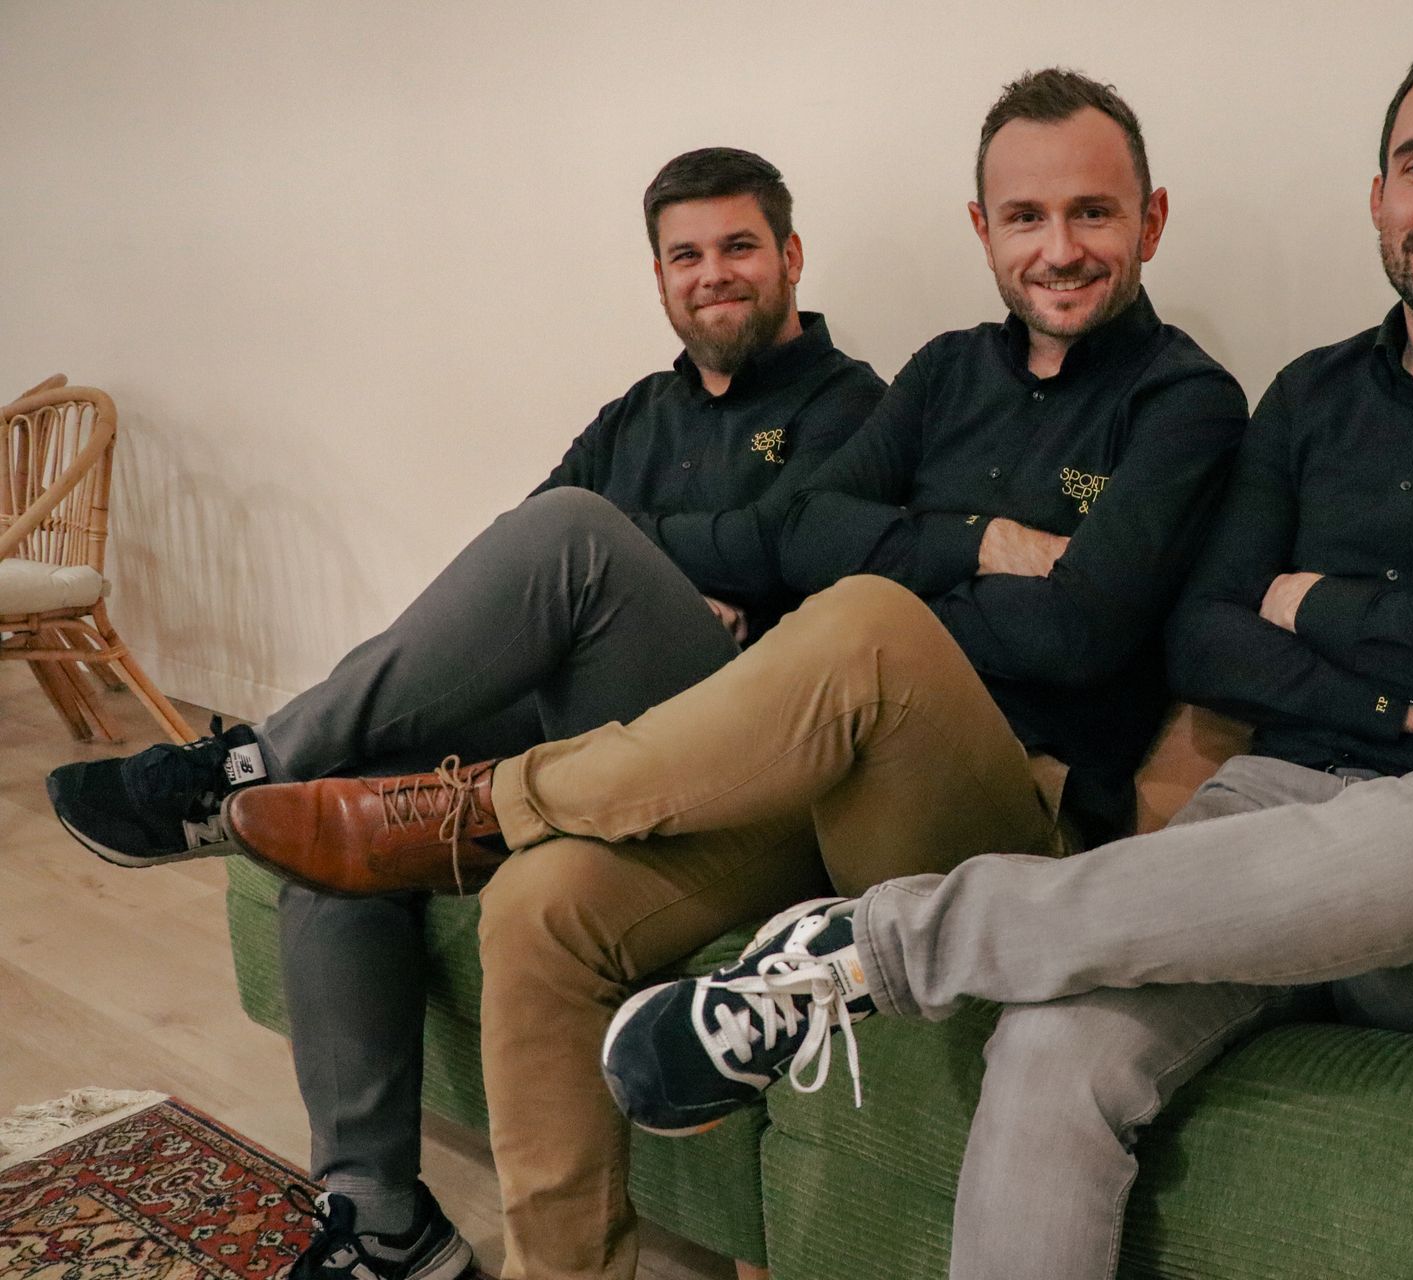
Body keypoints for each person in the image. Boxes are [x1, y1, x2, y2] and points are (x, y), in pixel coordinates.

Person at [594, 41, 1413, 1280]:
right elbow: (1204, 637)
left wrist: (1307, 599)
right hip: (1262, 816)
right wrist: (1411, 702)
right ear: (1379, 198)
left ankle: (880, 947)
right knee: (1047, 1044)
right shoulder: (1306, 396)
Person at [215, 67, 1245, 1277]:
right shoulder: (943, 372)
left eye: (1092, 213)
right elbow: (801, 529)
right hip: (821, 777)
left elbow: (1079, 632)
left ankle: (485, 801)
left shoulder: (1190, 402)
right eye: (1027, 216)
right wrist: (974, 544)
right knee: (539, 909)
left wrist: (896, 579)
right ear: (983, 228)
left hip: (1005, 805)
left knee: (865, 621)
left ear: (1151, 220)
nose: (1059, 248)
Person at [45, 148, 883, 1280]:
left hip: (724, 737)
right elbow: (521, 559)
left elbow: (795, 559)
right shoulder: (639, 411)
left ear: (790, 256)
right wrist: (685, 569)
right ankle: (382, 1217)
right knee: (327, 813)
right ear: (659, 277)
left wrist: (639, 554)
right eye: (686, 255)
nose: (713, 273)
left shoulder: (855, 407)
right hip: (578, 721)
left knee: (581, 532)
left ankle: (239, 759)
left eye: (739, 246)